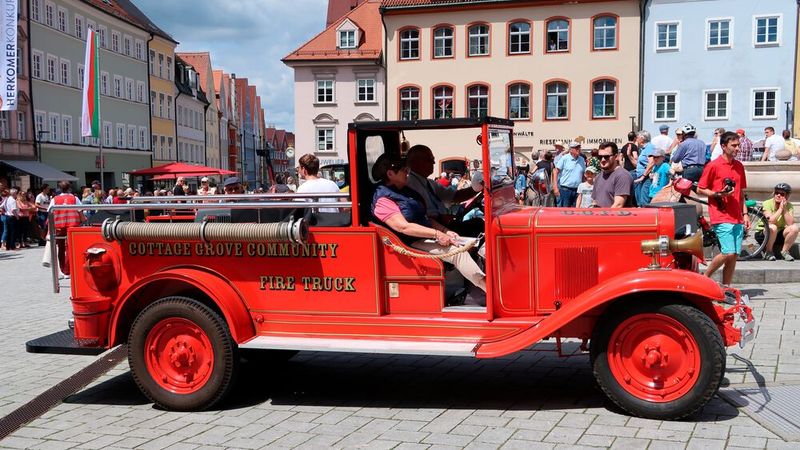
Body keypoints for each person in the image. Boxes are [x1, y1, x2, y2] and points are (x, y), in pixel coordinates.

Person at [370, 153, 486, 294]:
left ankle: (474, 287)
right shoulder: (383, 199)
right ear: (390, 174)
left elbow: (425, 218)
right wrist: (437, 234)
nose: (408, 172)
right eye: (403, 170)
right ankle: (489, 290)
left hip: (423, 236)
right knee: (457, 253)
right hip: (409, 242)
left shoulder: (406, 191)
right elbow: (403, 227)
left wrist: (445, 231)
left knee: (470, 240)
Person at [697, 131, 748, 287]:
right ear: (724, 146)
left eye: (738, 145)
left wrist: (745, 214)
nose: (738, 148)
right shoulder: (713, 165)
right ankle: (704, 278)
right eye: (734, 145)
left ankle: (726, 288)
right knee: (728, 252)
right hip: (720, 214)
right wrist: (716, 194)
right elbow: (700, 189)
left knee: (734, 256)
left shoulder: (739, 166)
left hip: (737, 216)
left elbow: (741, 194)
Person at [405, 145, 481, 235]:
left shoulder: (430, 183)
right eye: (429, 159)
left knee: (477, 223)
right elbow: (417, 214)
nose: (433, 162)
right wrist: (441, 219)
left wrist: (477, 188)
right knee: (478, 225)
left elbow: (455, 196)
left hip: (442, 224)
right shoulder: (409, 183)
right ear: (415, 163)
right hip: (430, 229)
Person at [757, 183, 799, 261]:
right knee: (773, 226)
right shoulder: (767, 203)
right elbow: (771, 221)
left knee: (795, 228)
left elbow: (790, 223)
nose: (778, 195)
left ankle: (784, 252)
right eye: (776, 193)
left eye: (782, 194)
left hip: (778, 233)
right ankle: (768, 252)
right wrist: (780, 209)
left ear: (787, 196)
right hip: (764, 233)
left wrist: (784, 209)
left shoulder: (789, 206)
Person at [51, 181, 84, 276]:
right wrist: (83, 222)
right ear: (69, 188)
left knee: (60, 248)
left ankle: (63, 270)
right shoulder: (74, 198)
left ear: (59, 189)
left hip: (59, 226)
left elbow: (50, 212)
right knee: (71, 248)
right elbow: (80, 211)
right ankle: (69, 269)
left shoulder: (55, 199)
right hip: (72, 225)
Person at [593, 142, 633, 208]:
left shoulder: (622, 176)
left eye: (606, 157)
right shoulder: (598, 176)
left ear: (616, 157)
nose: (603, 160)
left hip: (614, 217)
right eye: (600, 157)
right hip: (599, 216)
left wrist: (602, 218)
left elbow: (618, 205)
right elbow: (595, 201)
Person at [552, 141, 586, 207]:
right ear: (570, 150)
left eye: (579, 147)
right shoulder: (565, 158)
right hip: (565, 190)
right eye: (576, 148)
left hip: (578, 190)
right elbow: (555, 171)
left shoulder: (582, 159)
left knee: (576, 212)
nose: (578, 149)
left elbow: (583, 174)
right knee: (565, 212)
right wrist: (555, 187)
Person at [634, 131, 655, 206]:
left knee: (644, 200)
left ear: (642, 138)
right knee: (639, 199)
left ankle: (647, 216)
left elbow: (651, 162)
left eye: (637, 137)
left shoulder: (649, 147)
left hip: (646, 177)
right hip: (641, 176)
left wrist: (643, 176)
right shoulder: (643, 149)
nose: (636, 139)